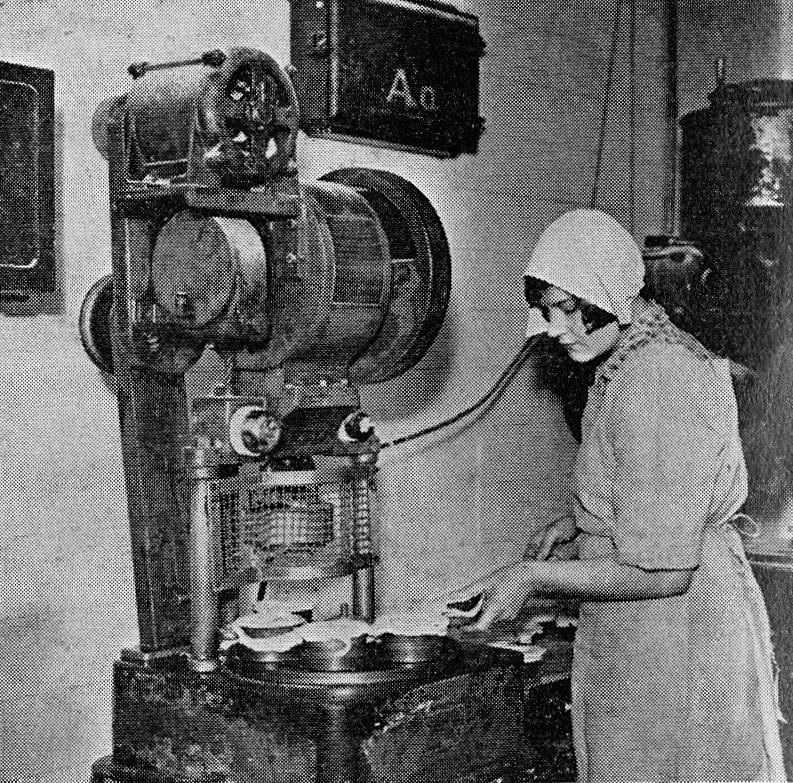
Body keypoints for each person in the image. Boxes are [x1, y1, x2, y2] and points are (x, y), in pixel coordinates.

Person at [452, 209, 786, 782]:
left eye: (568, 309)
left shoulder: (658, 378)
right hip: (646, 633)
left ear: (608, 294)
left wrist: (530, 576)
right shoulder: (627, 361)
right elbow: (656, 484)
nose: (556, 328)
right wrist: (581, 521)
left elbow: (662, 570)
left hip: (675, 635)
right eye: (547, 310)